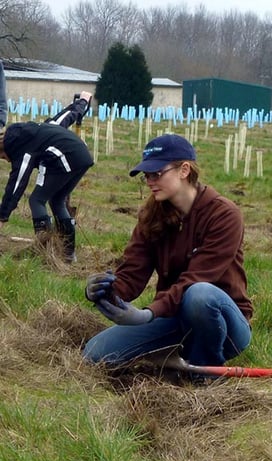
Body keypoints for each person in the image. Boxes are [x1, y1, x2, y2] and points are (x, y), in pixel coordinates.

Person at [83, 133, 253, 378]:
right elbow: (132, 273)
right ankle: (176, 355)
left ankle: (204, 373)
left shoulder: (224, 215)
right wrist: (106, 291)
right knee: (95, 354)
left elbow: (195, 279)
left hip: (225, 323)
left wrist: (148, 313)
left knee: (199, 294)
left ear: (184, 170)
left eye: (157, 173)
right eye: (146, 176)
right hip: (174, 316)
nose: (150, 181)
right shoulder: (152, 215)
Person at [0, 91, 94, 262]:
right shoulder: (44, 127)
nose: (6, 160)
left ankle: (46, 252)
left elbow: (17, 183)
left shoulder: (21, 149)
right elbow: (67, 116)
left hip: (64, 159)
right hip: (83, 157)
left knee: (36, 200)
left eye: (3, 157)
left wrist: (3, 215)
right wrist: (83, 102)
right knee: (57, 200)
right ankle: (68, 255)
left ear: (4, 149)